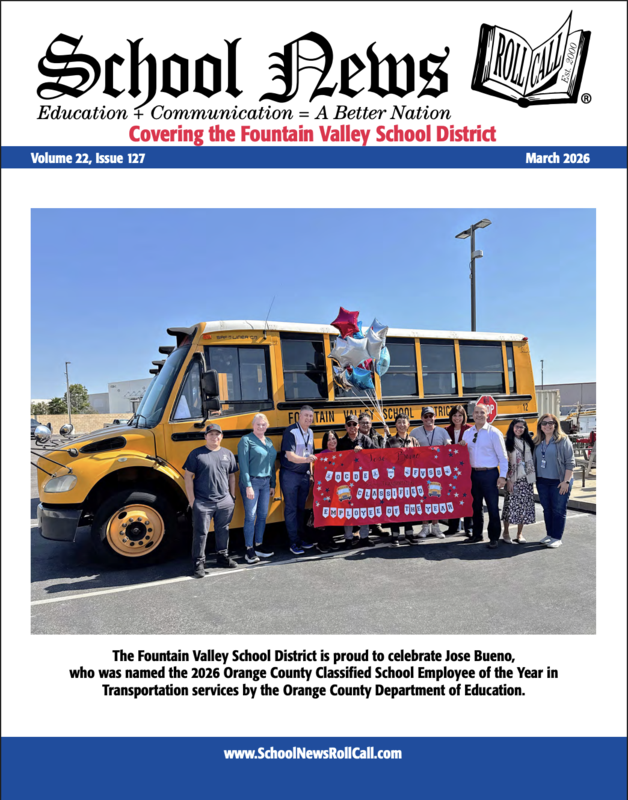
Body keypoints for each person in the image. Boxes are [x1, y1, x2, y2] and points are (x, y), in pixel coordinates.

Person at [184, 424, 238, 578]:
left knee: (223, 529)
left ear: (221, 436)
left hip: (224, 500)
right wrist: (192, 500)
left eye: (217, 434)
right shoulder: (197, 454)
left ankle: (222, 556)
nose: (214, 437)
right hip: (203, 501)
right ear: (205, 437)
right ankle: (198, 562)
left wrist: (231, 496)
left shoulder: (227, 454)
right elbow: (188, 476)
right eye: (211, 434)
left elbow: (232, 475)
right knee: (201, 533)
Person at [462, 404, 508, 549]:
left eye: (482, 412)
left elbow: (503, 456)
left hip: (490, 474)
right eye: (476, 412)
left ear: (487, 414)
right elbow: (462, 453)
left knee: (492, 507)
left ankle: (494, 537)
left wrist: (503, 476)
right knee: (475, 507)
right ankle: (477, 534)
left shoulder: (494, 433)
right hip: (473, 474)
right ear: (472, 415)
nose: (479, 415)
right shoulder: (467, 433)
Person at [237, 413, 277, 564]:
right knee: (250, 516)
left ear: (267, 426)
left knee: (262, 515)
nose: (261, 427)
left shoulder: (269, 441)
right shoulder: (246, 440)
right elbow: (244, 464)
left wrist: (273, 484)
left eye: (263, 424)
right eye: (258, 424)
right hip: (252, 481)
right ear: (253, 425)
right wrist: (248, 485)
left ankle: (259, 545)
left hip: (266, 482)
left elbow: (271, 465)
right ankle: (249, 549)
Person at [279, 405, 317, 556]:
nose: (308, 418)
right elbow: (290, 456)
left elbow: (311, 455)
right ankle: (293, 541)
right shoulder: (291, 431)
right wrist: (306, 460)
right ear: (299, 416)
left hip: (304, 475)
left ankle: (301, 538)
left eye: (310, 416)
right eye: (305, 415)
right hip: (290, 474)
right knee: (291, 508)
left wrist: (311, 473)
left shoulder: (311, 432)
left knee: (301, 508)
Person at [533, 413, 575, 549]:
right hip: (542, 481)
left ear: (555, 424)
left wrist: (566, 482)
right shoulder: (537, 442)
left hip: (559, 481)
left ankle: (557, 537)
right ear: (540, 426)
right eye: (544, 423)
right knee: (547, 509)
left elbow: (570, 463)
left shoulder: (563, 440)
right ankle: (550, 535)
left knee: (558, 510)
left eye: (550, 423)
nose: (547, 426)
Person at [338, 414, 376, 549]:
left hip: (363, 480)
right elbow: (337, 461)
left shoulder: (366, 440)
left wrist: (364, 452)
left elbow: (376, 456)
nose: (352, 427)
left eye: (354, 424)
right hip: (347, 481)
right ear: (345, 427)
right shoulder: (341, 442)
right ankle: (348, 538)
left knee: (364, 508)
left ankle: (364, 537)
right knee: (348, 509)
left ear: (358, 426)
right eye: (349, 425)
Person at [413, 407, 451, 539]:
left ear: (435, 417)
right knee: (423, 498)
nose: (428, 419)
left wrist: (452, 446)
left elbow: (449, 447)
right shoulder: (415, 432)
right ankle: (424, 527)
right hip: (421, 471)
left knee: (436, 498)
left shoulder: (442, 431)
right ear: (422, 418)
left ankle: (435, 527)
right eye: (425, 416)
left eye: (431, 416)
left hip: (438, 471)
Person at [386, 413, 422, 546]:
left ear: (408, 424)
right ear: (395, 424)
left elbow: (420, 459)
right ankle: (394, 535)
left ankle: (409, 533)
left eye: (404, 422)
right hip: (395, 479)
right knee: (395, 506)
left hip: (410, 480)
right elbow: (385, 461)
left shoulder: (414, 441)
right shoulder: (389, 442)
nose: (402, 424)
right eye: (399, 422)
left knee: (408, 506)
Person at [501, 419, 536, 543]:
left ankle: (520, 534)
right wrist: (508, 480)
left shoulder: (529, 442)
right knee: (510, 507)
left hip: (526, 480)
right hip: (513, 479)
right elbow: (505, 463)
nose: (519, 429)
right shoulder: (507, 443)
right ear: (512, 427)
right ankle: (505, 532)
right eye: (517, 427)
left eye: (522, 427)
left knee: (524, 508)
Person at [444, 405, 473, 537]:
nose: (457, 418)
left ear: (464, 416)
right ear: (451, 417)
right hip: (451, 470)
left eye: (460, 415)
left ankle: (469, 527)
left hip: (466, 469)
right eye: (454, 415)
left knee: (467, 497)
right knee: (452, 496)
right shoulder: (446, 430)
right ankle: (453, 526)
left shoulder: (470, 429)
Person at [358, 412, 387, 536]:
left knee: (375, 499)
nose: (366, 425)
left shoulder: (377, 436)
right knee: (361, 501)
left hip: (375, 473)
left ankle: (376, 525)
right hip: (360, 473)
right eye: (363, 422)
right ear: (358, 424)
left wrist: (387, 434)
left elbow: (386, 450)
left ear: (371, 424)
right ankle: (358, 528)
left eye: (368, 422)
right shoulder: (355, 436)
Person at [313, 431, 341, 553]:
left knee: (333, 515)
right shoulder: (323, 455)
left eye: (334, 438)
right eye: (329, 440)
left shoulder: (341, 454)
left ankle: (330, 539)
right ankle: (322, 542)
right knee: (325, 515)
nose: (332, 442)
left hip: (337, 490)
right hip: (325, 491)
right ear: (325, 442)